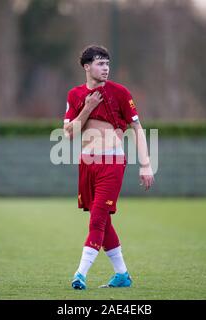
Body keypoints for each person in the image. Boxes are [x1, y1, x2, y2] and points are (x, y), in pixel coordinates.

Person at [63, 45, 154, 290]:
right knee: (104, 222)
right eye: (100, 63)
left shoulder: (120, 93)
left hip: (112, 163)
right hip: (86, 163)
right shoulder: (75, 95)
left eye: (107, 64)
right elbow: (69, 133)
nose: (106, 68)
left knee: (97, 221)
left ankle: (80, 274)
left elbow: (137, 129)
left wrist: (145, 164)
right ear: (86, 66)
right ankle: (122, 275)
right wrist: (88, 107)